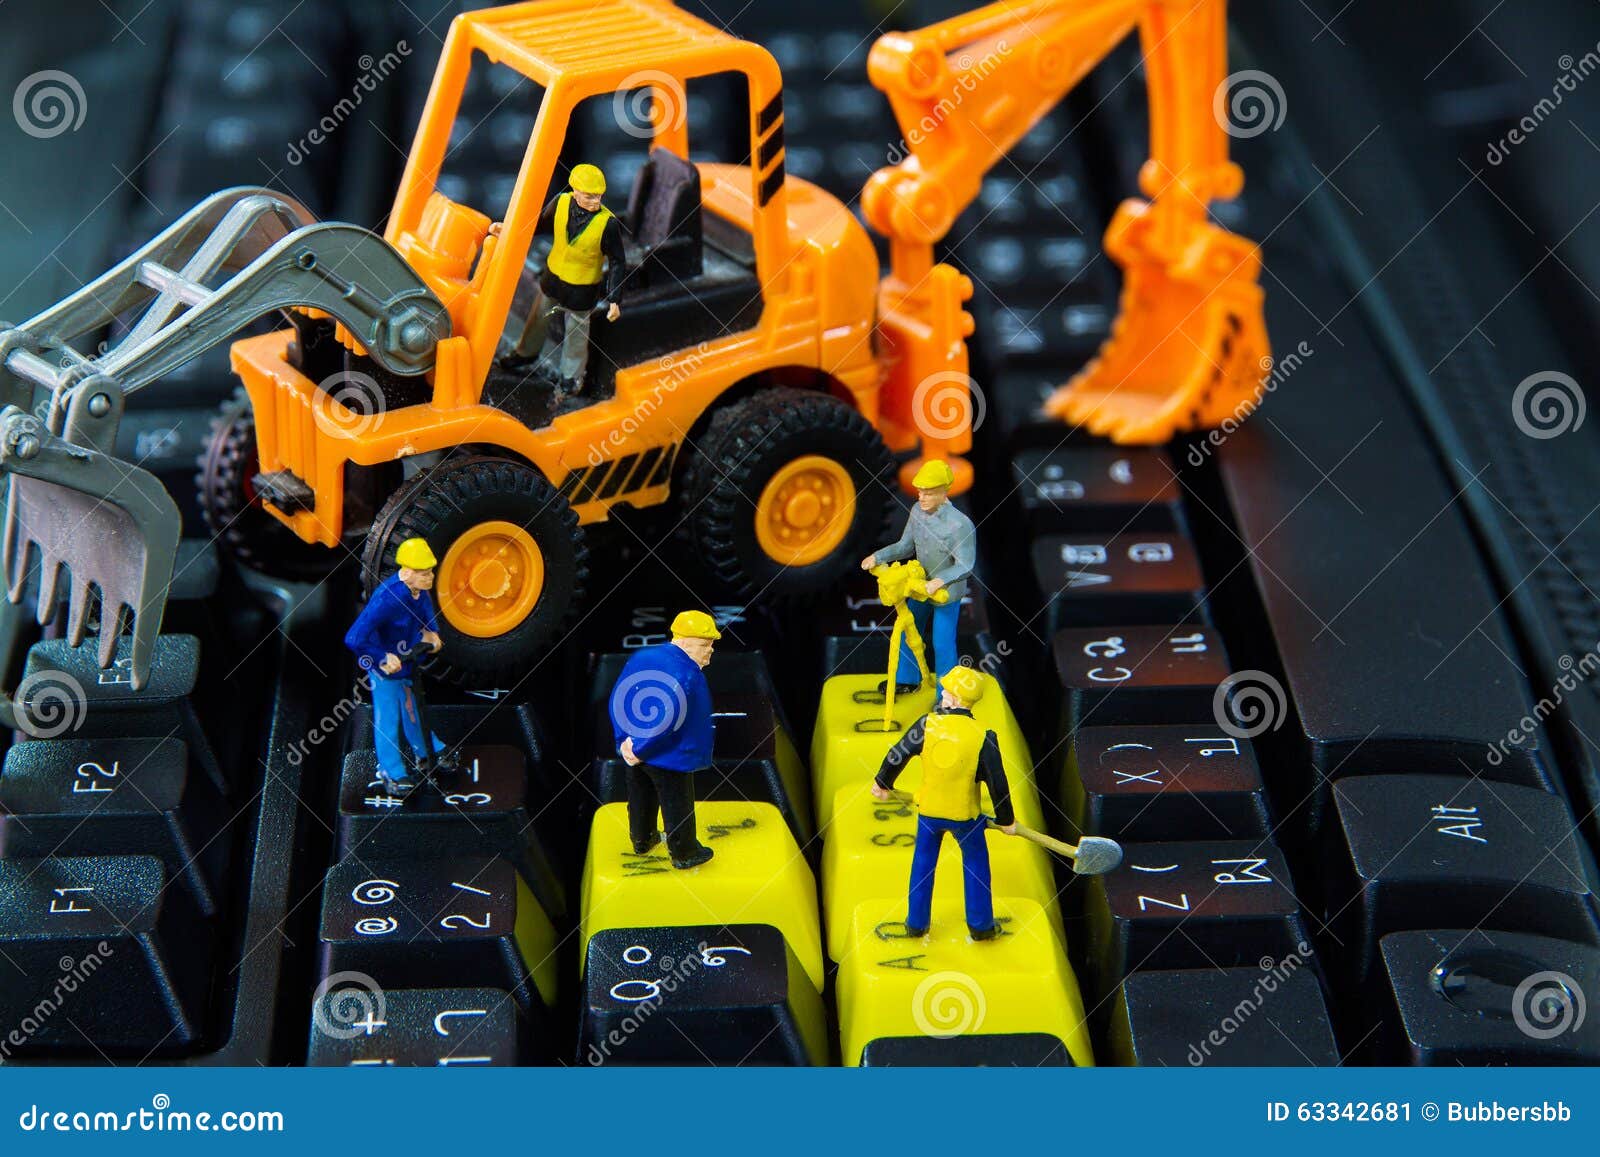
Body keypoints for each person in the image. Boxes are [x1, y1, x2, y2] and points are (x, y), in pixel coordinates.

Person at [870, 665, 1015, 940]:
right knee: (976, 864)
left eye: (948, 692)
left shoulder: (926, 725)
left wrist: (882, 783)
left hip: (929, 813)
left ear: (958, 700)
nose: (944, 695)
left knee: (923, 864)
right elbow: (998, 784)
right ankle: (981, 925)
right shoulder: (984, 737)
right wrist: (1006, 819)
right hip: (966, 817)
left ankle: (916, 923)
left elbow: (897, 754)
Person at [609, 610, 721, 869]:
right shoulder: (687, 675)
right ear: (683, 642)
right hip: (669, 755)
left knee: (640, 796)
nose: (710, 650)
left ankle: (642, 841)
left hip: (633, 748)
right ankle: (685, 853)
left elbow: (618, 697)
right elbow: (666, 722)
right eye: (705, 644)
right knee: (677, 804)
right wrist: (640, 748)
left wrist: (625, 741)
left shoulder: (644, 656)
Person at [860, 459, 975, 697]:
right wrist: (878, 556)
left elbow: (965, 565)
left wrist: (940, 581)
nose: (921, 497)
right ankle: (907, 679)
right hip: (919, 585)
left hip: (945, 593)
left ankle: (947, 695)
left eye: (929, 493)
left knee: (942, 644)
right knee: (908, 630)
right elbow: (904, 547)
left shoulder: (960, 525)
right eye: (920, 492)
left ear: (944, 492)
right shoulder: (916, 512)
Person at [344, 537, 448, 795]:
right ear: (406, 572)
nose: (430, 577)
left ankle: (426, 751)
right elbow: (354, 638)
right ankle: (392, 771)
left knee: (413, 708)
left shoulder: (420, 593)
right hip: (385, 669)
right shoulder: (387, 598)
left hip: (409, 661)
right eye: (425, 573)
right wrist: (381, 657)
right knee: (388, 718)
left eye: (430, 572)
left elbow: (427, 619)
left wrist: (432, 634)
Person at [511, 163, 627, 393]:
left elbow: (617, 261)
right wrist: (508, 230)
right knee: (538, 316)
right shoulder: (561, 203)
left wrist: (614, 298)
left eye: (599, 196)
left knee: (576, 333)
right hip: (553, 276)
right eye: (589, 196)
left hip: (582, 288)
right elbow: (537, 226)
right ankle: (524, 354)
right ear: (575, 191)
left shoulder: (608, 224)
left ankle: (570, 377)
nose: (595, 202)